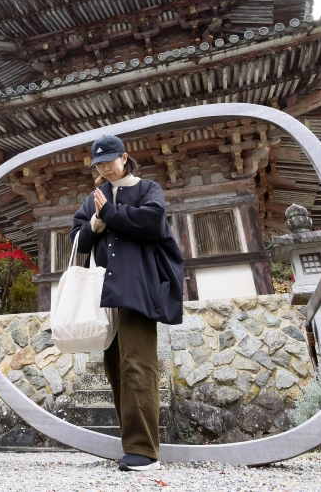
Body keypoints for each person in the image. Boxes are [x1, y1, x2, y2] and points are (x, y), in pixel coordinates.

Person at [71, 135, 183, 472]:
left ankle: (144, 450)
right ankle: (130, 444)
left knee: (138, 363)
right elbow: (78, 239)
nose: (105, 167)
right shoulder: (93, 199)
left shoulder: (147, 188)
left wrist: (112, 213)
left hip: (137, 286)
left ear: (125, 157)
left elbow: (153, 222)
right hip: (105, 292)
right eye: (99, 163)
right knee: (115, 366)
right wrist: (95, 221)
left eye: (110, 160)